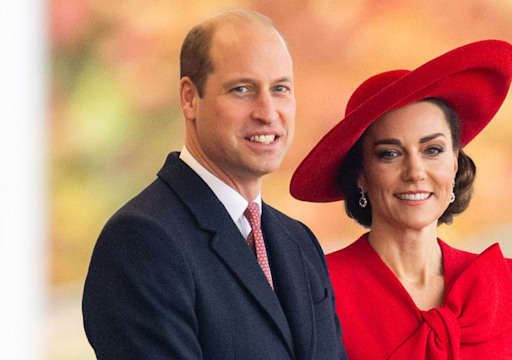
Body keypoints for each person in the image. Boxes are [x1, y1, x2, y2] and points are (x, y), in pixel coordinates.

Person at [82, 9, 347, 359]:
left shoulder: (299, 243)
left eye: (280, 88)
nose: (268, 112)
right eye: (242, 89)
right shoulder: (141, 241)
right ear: (190, 98)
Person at [290, 40, 512, 359]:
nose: (415, 172)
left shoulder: (508, 284)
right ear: (360, 174)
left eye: (432, 150)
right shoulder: (318, 290)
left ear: (454, 163)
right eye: (390, 154)